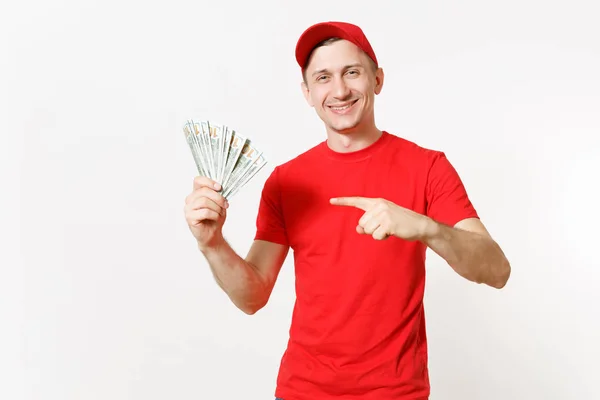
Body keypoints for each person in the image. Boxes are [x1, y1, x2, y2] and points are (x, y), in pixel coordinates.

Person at [183, 21, 511, 400]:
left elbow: (497, 270)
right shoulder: (285, 182)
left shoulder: (428, 168)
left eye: (351, 72)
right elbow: (252, 296)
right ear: (307, 92)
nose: (339, 90)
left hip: (397, 393)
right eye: (323, 77)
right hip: (302, 391)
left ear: (377, 79)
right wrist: (212, 243)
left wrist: (426, 228)